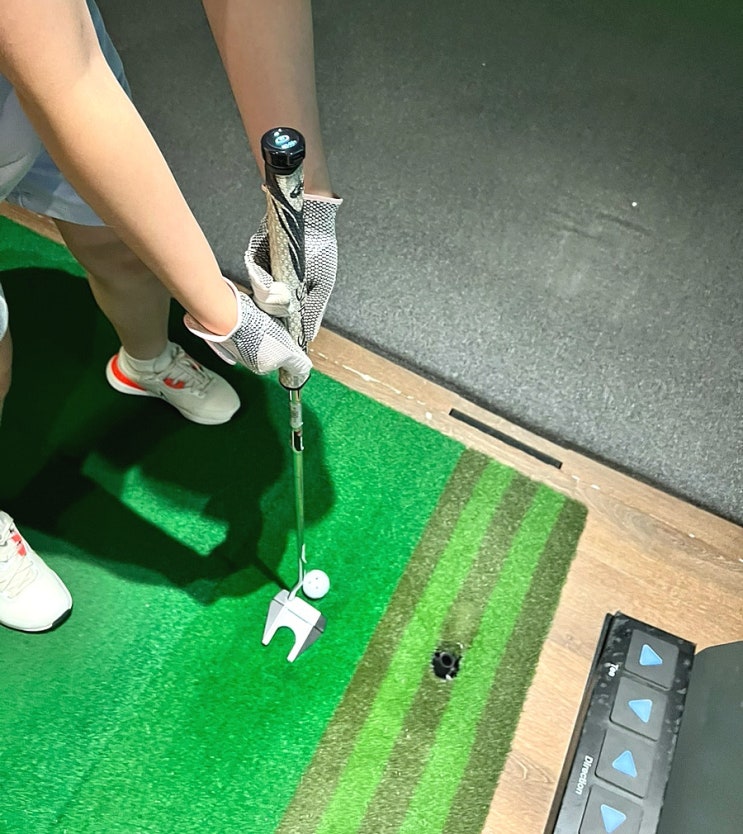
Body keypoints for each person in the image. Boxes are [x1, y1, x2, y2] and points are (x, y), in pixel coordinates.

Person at [0, 0, 341, 632]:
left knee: (127, 250)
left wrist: (303, 201)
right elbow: (65, 81)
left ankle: (145, 363)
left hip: (56, 57)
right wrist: (223, 315)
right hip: (56, 68)